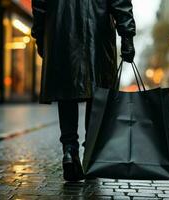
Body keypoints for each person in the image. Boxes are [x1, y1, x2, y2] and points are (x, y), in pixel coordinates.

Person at [31, 0, 136, 181]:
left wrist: (40, 34)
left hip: (60, 27)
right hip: (97, 29)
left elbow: (39, 4)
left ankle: (69, 151)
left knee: (66, 90)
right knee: (97, 93)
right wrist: (127, 35)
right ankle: (91, 153)